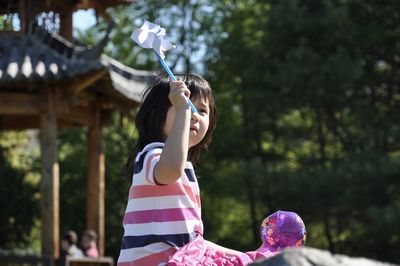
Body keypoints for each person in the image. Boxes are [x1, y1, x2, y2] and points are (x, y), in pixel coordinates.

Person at [118, 74, 262, 266]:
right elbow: (170, 170)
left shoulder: (185, 169)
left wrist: (249, 257)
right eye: (185, 105)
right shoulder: (152, 155)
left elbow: (195, 244)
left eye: (202, 110)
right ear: (156, 114)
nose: (193, 114)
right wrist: (183, 111)